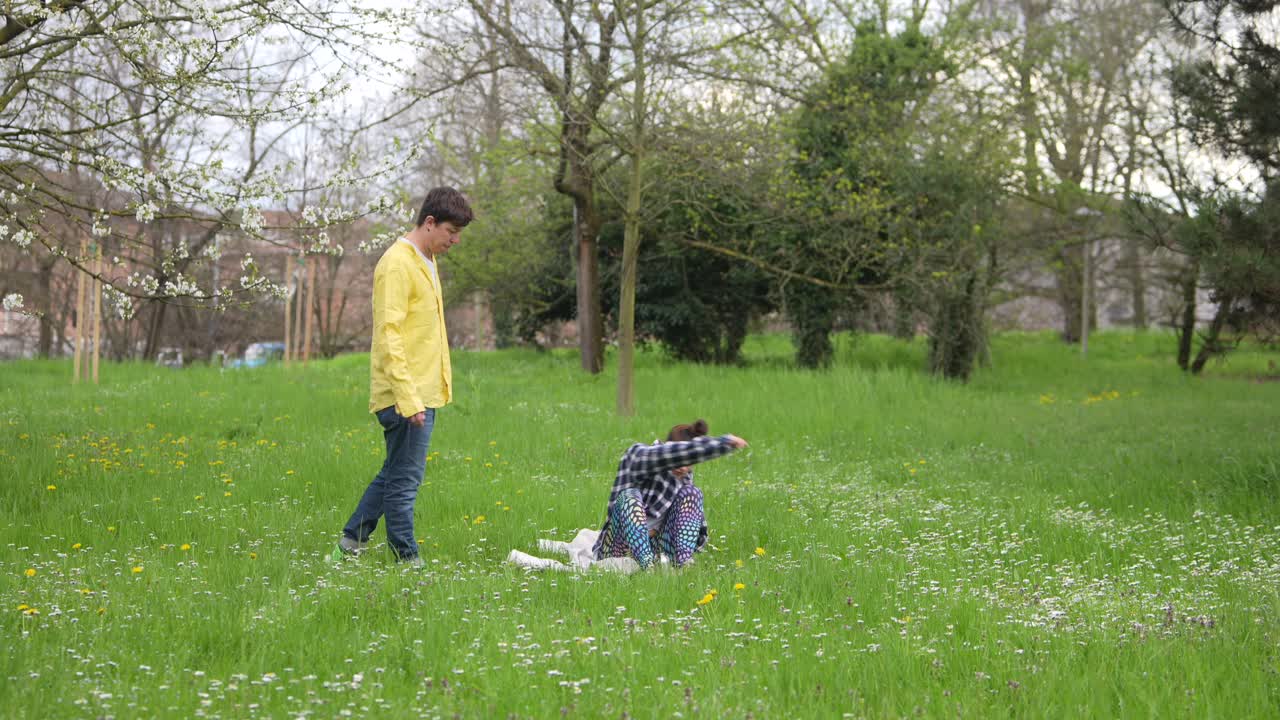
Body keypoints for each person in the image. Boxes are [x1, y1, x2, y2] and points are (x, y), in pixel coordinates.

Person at [333, 187, 473, 565]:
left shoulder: (425, 259)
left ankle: (350, 544)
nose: (455, 241)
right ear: (430, 223)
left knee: (393, 473)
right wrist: (409, 399)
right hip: (404, 395)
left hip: (422, 391)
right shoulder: (398, 263)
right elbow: (388, 336)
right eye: (451, 232)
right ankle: (407, 560)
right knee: (404, 483)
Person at [591, 419, 748, 569]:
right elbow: (674, 453)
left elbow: (687, 523)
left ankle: (683, 564)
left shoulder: (684, 479)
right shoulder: (638, 456)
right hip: (618, 546)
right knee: (629, 496)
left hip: (656, 548)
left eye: (688, 462)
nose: (681, 466)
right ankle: (648, 567)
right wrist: (723, 443)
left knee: (693, 493)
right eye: (678, 459)